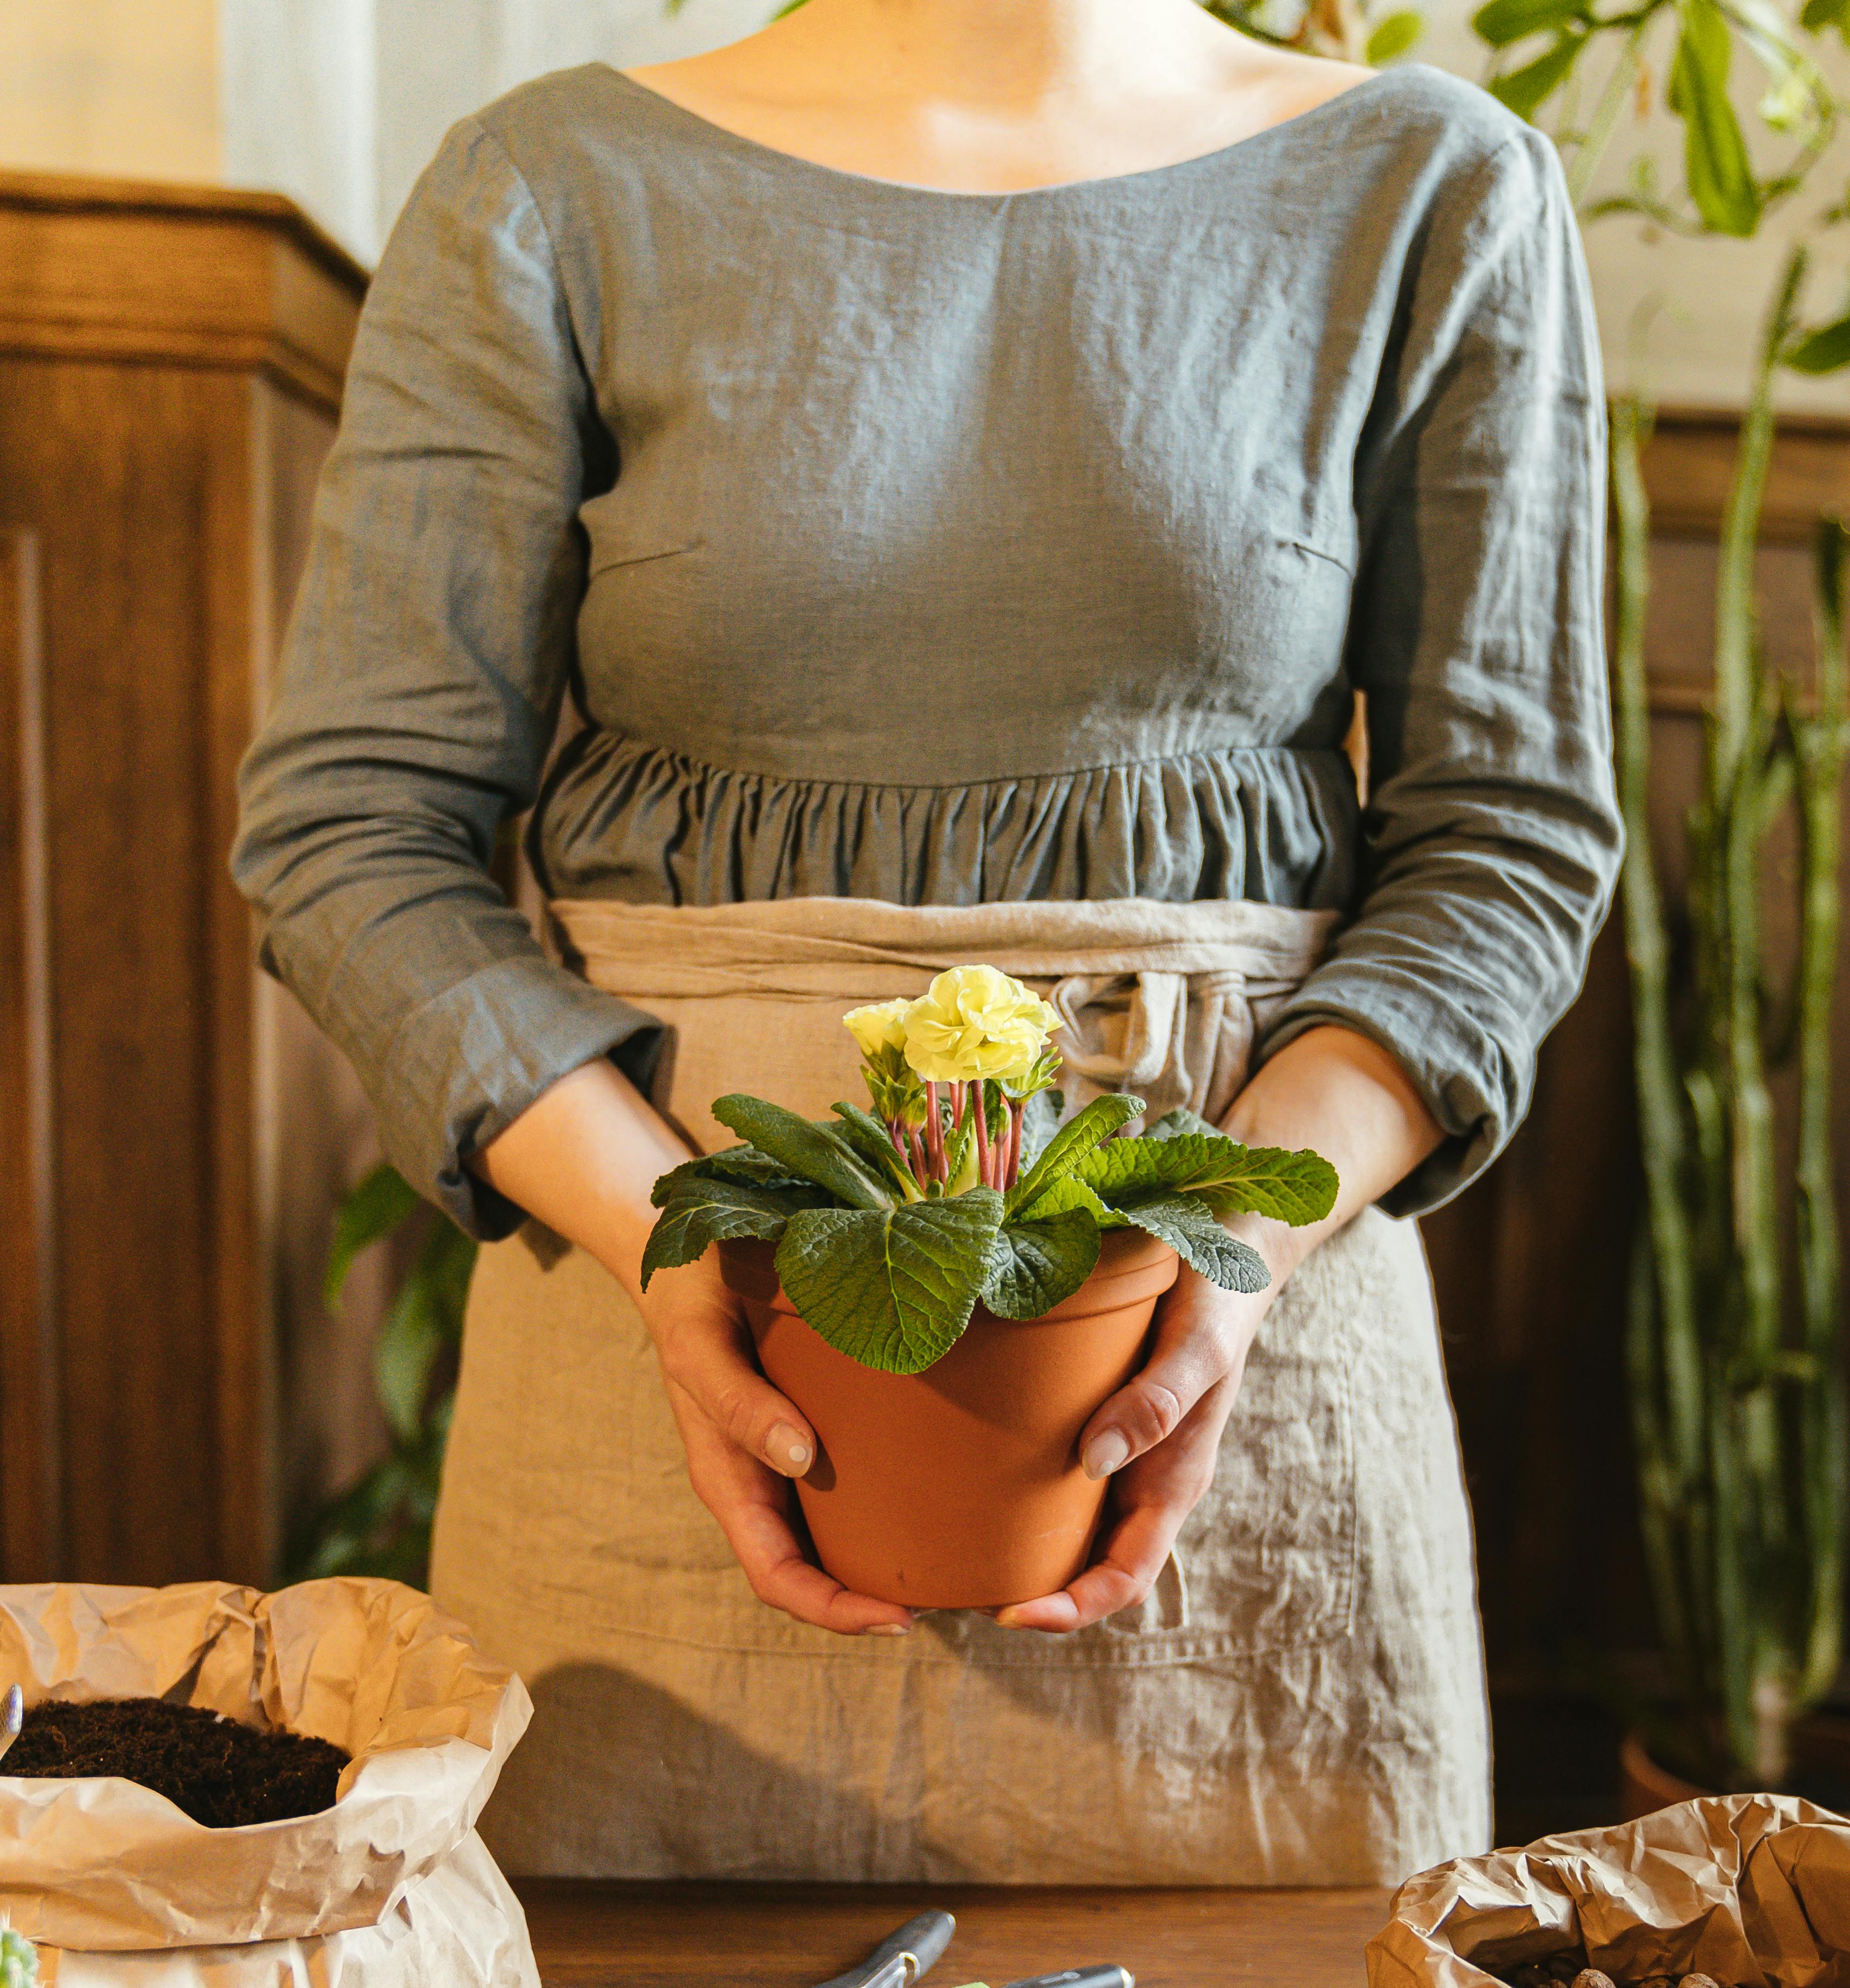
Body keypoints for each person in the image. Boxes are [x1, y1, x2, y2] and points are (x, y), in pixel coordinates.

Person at [234, 0, 1622, 1885]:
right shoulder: (547, 186)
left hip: (1240, 1404)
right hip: (651, 1422)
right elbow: (351, 827)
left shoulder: (1432, 188)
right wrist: (675, 1259)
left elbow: (1508, 841)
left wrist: (1235, 1265)